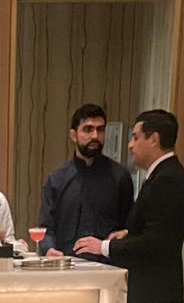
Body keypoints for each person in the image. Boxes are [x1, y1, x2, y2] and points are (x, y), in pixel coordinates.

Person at [76, 108, 184, 303]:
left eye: (135, 137)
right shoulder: (162, 176)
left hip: (154, 293)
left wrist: (103, 246)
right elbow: (155, 227)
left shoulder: (168, 180)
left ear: (153, 139)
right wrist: (128, 233)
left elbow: (155, 243)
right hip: (150, 288)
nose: (130, 145)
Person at [36, 103, 134, 259]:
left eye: (100, 130)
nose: (95, 136)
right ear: (74, 135)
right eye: (88, 129)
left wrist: (122, 236)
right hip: (65, 266)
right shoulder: (57, 179)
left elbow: (129, 227)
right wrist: (49, 249)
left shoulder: (120, 177)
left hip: (107, 269)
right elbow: (46, 228)